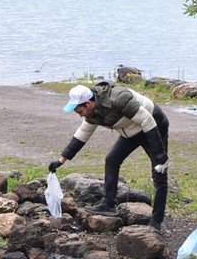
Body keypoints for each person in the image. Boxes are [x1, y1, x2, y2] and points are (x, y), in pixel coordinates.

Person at [48, 81, 170, 230]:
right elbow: (83, 133)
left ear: (88, 103)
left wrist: (160, 154)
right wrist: (61, 160)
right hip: (130, 130)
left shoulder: (118, 99)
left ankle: (156, 221)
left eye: (79, 111)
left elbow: (147, 120)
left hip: (153, 125)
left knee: (159, 171)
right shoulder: (93, 112)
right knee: (111, 160)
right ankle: (109, 204)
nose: (80, 116)